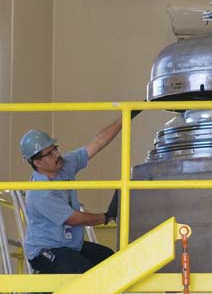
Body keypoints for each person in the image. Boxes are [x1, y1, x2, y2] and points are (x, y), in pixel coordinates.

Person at [19, 113, 138, 274]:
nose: (57, 155)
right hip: (45, 251)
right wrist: (107, 216)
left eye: (55, 149)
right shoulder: (40, 193)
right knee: (83, 271)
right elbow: (74, 219)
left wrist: (126, 117)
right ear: (37, 162)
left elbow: (98, 142)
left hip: (69, 246)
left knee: (109, 259)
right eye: (50, 153)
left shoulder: (64, 165)